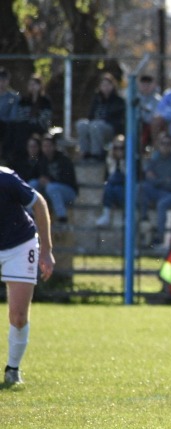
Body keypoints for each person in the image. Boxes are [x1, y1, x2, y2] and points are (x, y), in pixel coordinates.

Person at [1, 166, 55, 384]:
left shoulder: (5, 179)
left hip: (19, 245)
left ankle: (13, 369)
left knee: (19, 316)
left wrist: (47, 250)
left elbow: (39, 203)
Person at [138, 133, 171, 247]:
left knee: (162, 204)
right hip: (158, 191)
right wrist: (164, 180)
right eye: (163, 143)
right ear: (159, 145)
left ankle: (159, 237)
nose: (165, 146)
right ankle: (144, 218)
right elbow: (148, 178)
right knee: (141, 187)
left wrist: (157, 180)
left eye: (168, 144)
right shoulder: (155, 159)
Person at [76, 73, 126, 161]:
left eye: (108, 85)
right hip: (95, 127)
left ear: (112, 86)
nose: (105, 87)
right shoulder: (96, 99)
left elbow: (118, 121)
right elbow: (90, 116)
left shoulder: (118, 101)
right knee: (81, 124)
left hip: (110, 129)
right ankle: (85, 153)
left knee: (96, 125)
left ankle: (96, 154)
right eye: (103, 85)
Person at [30, 135, 78, 224]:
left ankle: (62, 217)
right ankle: (30, 214)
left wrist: (50, 181)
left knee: (52, 187)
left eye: (49, 146)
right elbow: (34, 176)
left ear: (54, 146)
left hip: (68, 192)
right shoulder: (41, 160)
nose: (47, 148)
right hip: (49, 191)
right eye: (44, 146)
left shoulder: (64, 160)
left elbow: (68, 180)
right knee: (32, 184)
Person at [8, 75, 52, 160]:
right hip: (25, 126)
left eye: (34, 84)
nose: (32, 87)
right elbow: (20, 115)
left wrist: (32, 122)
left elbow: (45, 117)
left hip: (40, 126)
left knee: (24, 128)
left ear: (40, 86)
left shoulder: (45, 101)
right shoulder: (24, 100)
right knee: (13, 127)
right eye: (30, 85)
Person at [95, 136, 127, 226]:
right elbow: (106, 177)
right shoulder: (110, 160)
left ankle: (125, 216)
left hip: (125, 188)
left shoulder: (130, 160)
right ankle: (106, 215)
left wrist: (122, 162)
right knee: (109, 186)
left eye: (121, 148)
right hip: (113, 188)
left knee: (115, 183)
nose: (118, 151)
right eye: (115, 148)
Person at [136, 74, 161, 149]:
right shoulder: (135, 99)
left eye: (148, 85)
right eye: (143, 85)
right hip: (138, 125)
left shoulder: (158, 100)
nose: (146, 87)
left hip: (151, 127)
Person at [0, 67, 20, 163]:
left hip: (6, 127)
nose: (1, 83)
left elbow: (13, 117)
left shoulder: (13, 97)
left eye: (4, 80)